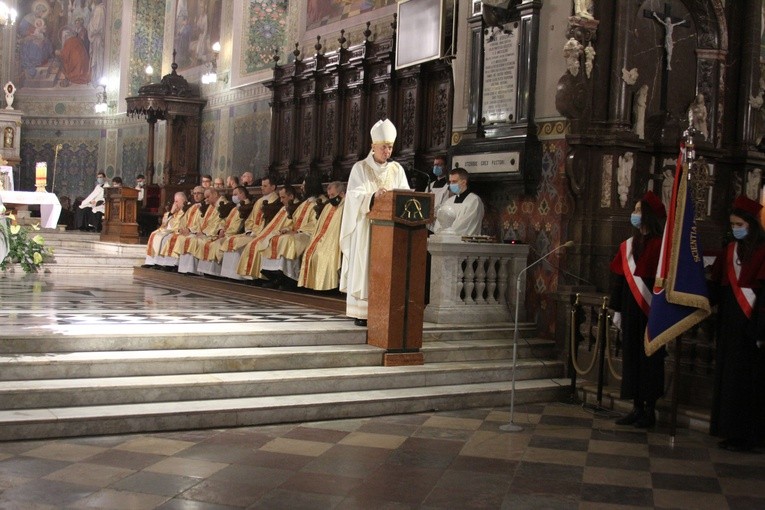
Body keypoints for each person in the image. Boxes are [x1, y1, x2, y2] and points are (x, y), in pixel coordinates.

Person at [340, 119, 410, 326]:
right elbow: (353, 195)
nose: (387, 151)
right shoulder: (360, 168)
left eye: (389, 147)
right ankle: (362, 312)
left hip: (390, 230)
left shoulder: (397, 169)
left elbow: (404, 193)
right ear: (373, 147)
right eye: (383, 147)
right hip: (366, 229)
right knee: (366, 266)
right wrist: (373, 196)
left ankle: (385, 309)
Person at [709, 196, 765, 452]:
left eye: (740, 223)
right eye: (732, 224)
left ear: (751, 225)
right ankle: (729, 430)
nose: (735, 228)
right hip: (730, 325)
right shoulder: (730, 251)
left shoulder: (763, 251)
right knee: (729, 379)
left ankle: (748, 435)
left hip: (752, 326)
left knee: (749, 382)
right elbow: (717, 286)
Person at [609, 191, 667, 429]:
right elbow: (620, 280)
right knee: (632, 357)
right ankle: (636, 407)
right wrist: (617, 309)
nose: (634, 214)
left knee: (651, 361)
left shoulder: (660, 246)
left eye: (638, 210)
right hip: (631, 310)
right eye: (633, 210)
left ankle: (650, 410)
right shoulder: (628, 246)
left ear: (649, 215)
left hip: (651, 314)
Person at [298, 181, 346, 291]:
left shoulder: (347, 205)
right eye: (329, 195)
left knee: (324, 254)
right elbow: (319, 226)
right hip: (323, 239)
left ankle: (330, 286)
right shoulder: (328, 206)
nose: (330, 198)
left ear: (342, 194)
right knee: (310, 252)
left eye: (333, 195)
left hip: (336, 240)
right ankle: (314, 284)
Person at [432, 168, 484, 237]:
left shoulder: (474, 201)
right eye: (450, 182)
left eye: (454, 181)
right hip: (444, 243)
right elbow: (439, 224)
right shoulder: (448, 202)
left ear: (463, 182)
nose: (451, 184)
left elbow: (464, 226)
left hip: (465, 245)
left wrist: (445, 234)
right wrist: (440, 233)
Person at [144, 191, 188, 267]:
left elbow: (177, 225)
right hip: (168, 231)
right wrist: (171, 212)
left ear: (183, 201)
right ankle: (151, 261)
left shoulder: (185, 212)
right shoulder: (171, 212)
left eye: (177, 201)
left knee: (166, 238)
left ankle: (168, 263)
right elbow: (164, 224)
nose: (175, 204)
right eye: (174, 201)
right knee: (154, 234)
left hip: (176, 232)